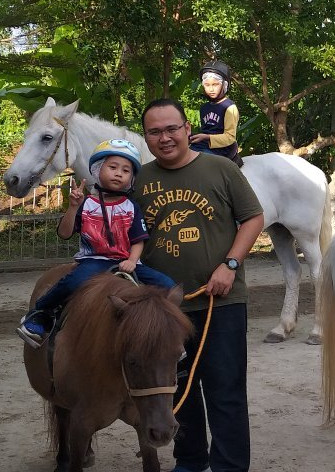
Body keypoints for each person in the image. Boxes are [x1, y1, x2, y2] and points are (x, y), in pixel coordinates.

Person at [134, 98, 264, 472]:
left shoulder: (221, 169)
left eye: (172, 128)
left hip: (219, 303)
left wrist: (230, 264)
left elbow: (253, 217)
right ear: (147, 137)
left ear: (188, 129)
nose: (165, 137)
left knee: (226, 393)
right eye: (155, 131)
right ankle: (190, 462)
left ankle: (230, 467)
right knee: (178, 390)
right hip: (165, 308)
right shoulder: (139, 180)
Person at [16, 139, 176, 347]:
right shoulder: (86, 203)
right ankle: (40, 312)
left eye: (126, 170)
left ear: (131, 178)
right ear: (98, 169)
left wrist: (132, 260)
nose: (119, 173)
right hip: (95, 260)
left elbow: (138, 240)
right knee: (73, 282)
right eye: (113, 167)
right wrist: (73, 207)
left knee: (168, 286)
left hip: (126, 261)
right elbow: (65, 233)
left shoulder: (131, 206)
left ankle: (169, 334)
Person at [190, 59, 243, 167]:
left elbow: (230, 137)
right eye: (207, 85)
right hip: (204, 145)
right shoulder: (204, 108)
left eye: (215, 84)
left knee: (197, 165)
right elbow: (207, 129)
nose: (211, 89)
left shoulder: (229, 107)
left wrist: (206, 137)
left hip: (222, 149)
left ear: (225, 85)